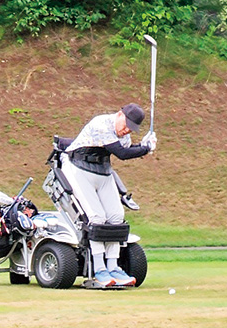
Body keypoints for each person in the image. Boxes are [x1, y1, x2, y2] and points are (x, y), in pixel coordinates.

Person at [61, 103, 157, 287]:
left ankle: (113, 267)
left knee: (116, 216)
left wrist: (144, 145)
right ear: (120, 115)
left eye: (132, 128)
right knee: (97, 217)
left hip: (102, 170)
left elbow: (129, 149)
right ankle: (99, 269)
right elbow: (122, 153)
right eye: (126, 125)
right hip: (77, 168)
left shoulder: (124, 135)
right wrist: (145, 148)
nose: (127, 130)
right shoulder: (101, 123)